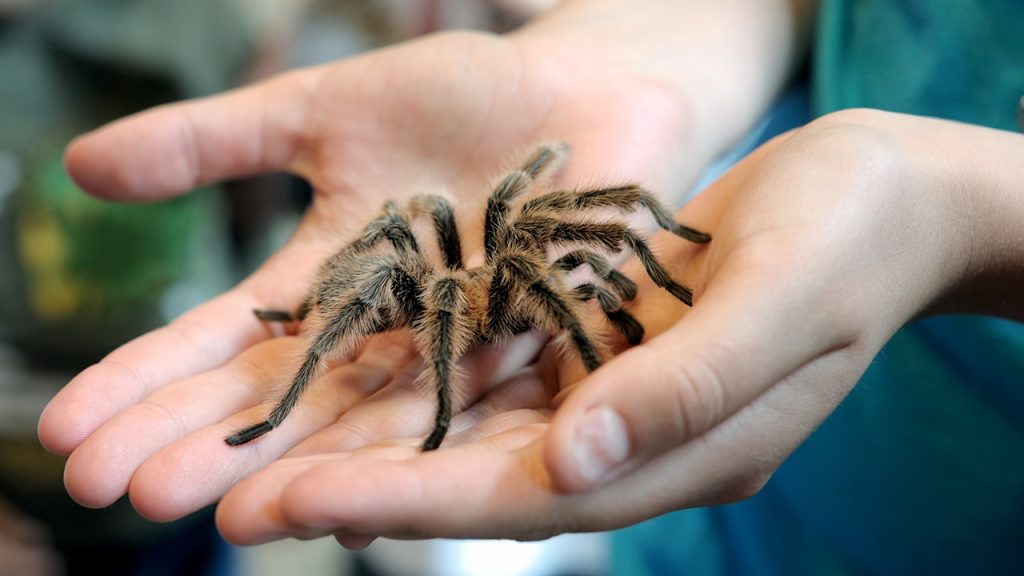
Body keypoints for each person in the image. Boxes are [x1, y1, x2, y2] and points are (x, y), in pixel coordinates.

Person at [36, 0, 1024, 573]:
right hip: (703, 530)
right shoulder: (444, 281)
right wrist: (645, 52)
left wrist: (953, 220)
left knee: (540, 244)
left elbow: (574, 227)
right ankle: (299, 354)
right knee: (398, 248)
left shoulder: (521, 253)